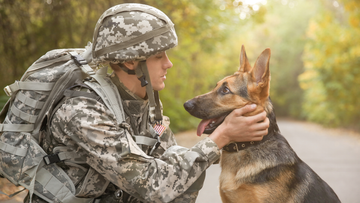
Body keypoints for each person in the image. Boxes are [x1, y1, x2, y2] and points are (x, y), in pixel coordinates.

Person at [26, 3, 269, 203]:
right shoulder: (84, 111)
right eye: (158, 56)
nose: (168, 64)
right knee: (177, 178)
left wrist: (237, 137)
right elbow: (154, 185)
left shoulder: (147, 107)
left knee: (187, 174)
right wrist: (221, 137)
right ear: (131, 62)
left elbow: (166, 149)